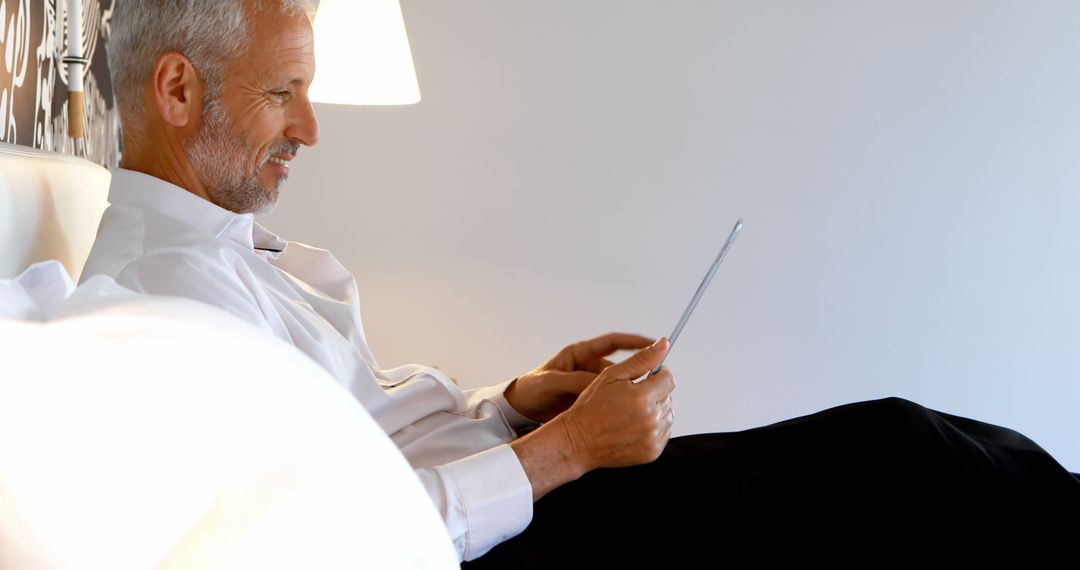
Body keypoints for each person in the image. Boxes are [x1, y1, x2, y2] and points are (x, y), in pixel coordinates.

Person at [83, 0, 1080, 564]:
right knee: (895, 462)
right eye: (283, 93)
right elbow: (341, 538)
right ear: (177, 90)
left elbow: (373, 437)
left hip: (517, 498)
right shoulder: (170, 311)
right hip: (495, 550)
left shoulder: (250, 264)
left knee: (908, 454)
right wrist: (563, 454)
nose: (310, 128)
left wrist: (516, 405)